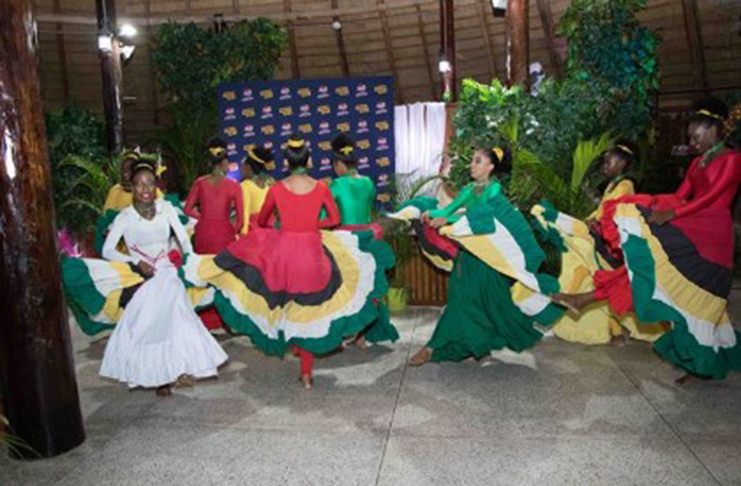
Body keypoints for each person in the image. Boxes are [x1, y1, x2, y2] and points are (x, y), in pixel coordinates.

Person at [182, 134, 394, 390]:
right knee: (309, 310)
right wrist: (309, 225)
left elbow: (261, 221)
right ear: (309, 160)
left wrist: (284, 225)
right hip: (313, 256)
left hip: (283, 258)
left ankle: (294, 353)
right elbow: (333, 219)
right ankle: (306, 373)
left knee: (287, 308)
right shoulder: (321, 187)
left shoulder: (277, 188)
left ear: (287, 162)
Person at [554, 98, 741, 382]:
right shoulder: (696, 162)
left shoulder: (732, 159)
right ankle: (585, 298)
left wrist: (672, 213)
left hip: (712, 237)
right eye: (691, 137)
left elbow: (710, 199)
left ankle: (700, 361)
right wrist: (647, 205)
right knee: (648, 272)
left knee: (696, 302)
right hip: (692, 226)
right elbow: (681, 193)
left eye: (696, 136)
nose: (693, 142)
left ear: (713, 129)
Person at [63, 160, 228, 396]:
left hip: (167, 271)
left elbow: (183, 240)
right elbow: (109, 250)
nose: (146, 189)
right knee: (152, 325)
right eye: (140, 184)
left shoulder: (167, 209)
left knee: (177, 316)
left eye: (150, 183)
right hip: (139, 276)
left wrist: (191, 261)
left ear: (156, 186)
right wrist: (134, 263)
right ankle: (160, 375)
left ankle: (179, 369)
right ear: (132, 187)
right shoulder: (125, 217)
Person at [408, 144, 564, 366]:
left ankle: (471, 349)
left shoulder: (494, 191)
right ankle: (444, 348)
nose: (471, 165)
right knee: (460, 301)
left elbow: (483, 218)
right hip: (468, 256)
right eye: (472, 160)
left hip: (489, 259)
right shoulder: (469, 189)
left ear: (490, 166)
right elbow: (449, 211)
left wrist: (447, 220)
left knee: (487, 304)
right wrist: (431, 213)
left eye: (477, 161)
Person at [530, 141, 666, 345]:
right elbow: (601, 210)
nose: (604, 165)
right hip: (602, 237)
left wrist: (595, 221)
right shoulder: (613, 184)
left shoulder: (625, 185)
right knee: (592, 277)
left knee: (591, 272)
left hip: (612, 245)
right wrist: (589, 219)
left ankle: (563, 316)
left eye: (608, 161)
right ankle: (615, 332)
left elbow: (614, 212)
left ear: (621, 163)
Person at [329, 133, 398, 348]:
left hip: (346, 240)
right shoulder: (368, 183)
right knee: (366, 286)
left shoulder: (337, 184)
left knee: (344, 288)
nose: (334, 168)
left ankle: (344, 333)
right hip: (368, 238)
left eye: (334, 164)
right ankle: (362, 335)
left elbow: (328, 216)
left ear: (340, 163)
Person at [185, 137, 244, 253]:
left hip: (202, 234)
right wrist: (230, 230)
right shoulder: (234, 186)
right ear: (223, 163)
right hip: (224, 236)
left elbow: (187, 209)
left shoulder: (200, 182)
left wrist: (204, 218)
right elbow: (240, 221)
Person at [240, 145, 275, 235]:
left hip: (252, 233)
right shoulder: (268, 184)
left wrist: (244, 234)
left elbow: (245, 213)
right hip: (268, 232)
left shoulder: (245, 185)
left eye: (242, 166)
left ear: (248, 167)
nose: (241, 169)